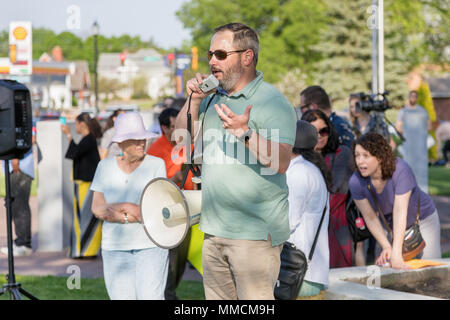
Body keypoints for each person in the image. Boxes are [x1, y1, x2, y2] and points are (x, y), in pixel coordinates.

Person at [174, 22, 296, 300]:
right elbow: (180, 140)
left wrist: (245, 133)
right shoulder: (210, 99)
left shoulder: (273, 102)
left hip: (254, 236)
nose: (212, 62)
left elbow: (281, 162)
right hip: (213, 231)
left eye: (220, 54)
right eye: (210, 55)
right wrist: (193, 101)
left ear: (247, 57)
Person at [90, 112, 169, 300]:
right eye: (136, 140)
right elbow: (97, 208)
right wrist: (129, 208)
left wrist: (115, 210)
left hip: (151, 245)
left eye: (143, 139)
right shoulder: (105, 167)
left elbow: (156, 210)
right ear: (121, 143)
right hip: (114, 247)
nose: (142, 143)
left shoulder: (156, 165)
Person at [349, 132, 442, 270]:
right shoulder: (355, 182)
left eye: (366, 156)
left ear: (379, 157)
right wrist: (387, 246)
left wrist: (396, 253)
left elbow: (400, 211)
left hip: (423, 220)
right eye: (357, 155)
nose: (360, 161)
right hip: (392, 227)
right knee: (394, 273)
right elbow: (371, 218)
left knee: (431, 271)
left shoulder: (400, 170)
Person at [146, 107, 196, 300]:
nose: (180, 130)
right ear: (164, 128)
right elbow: (151, 184)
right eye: (175, 127)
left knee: (181, 260)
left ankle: (169, 291)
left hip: (190, 208)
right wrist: (172, 178)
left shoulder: (188, 145)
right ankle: (167, 294)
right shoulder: (154, 151)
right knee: (170, 259)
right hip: (167, 212)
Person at [302, 109, 354, 268]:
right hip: (307, 229)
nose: (319, 136)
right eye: (313, 131)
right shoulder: (300, 158)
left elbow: (338, 191)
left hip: (335, 227)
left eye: (323, 131)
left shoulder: (341, 153)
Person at [286, 120, 331, 297]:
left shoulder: (299, 173)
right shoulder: (309, 169)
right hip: (308, 272)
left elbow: (287, 221)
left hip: (298, 273)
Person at [62, 112, 102, 258]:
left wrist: (68, 135)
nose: (75, 126)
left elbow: (74, 152)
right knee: (82, 217)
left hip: (86, 185)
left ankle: (86, 250)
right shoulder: (89, 139)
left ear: (82, 124)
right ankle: (83, 249)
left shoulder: (89, 139)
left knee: (85, 217)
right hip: (84, 185)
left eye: (77, 123)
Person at [0, 147, 35, 257]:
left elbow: (30, 137)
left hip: (19, 166)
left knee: (20, 207)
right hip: (13, 166)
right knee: (14, 206)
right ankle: (19, 242)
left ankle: (24, 244)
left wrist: (16, 157)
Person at [395, 90, 431, 192]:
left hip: (420, 146)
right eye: (412, 96)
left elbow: (429, 126)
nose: (413, 98)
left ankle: (423, 193)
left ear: (417, 98)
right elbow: (398, 127)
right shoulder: (403, 112)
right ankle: (409, 192)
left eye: (415, 96)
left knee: (421, 170)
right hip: (408, 146)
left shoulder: (422, 111)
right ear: (409, 97)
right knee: (408, 169)